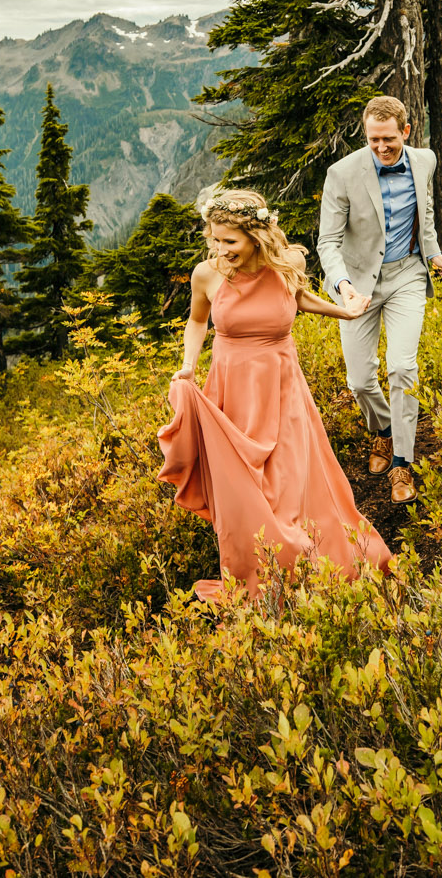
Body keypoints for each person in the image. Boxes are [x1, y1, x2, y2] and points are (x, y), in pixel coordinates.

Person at [156, 187, 393, 602]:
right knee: (243, 492)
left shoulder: (289, 263)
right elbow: (197, 322)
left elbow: (297, 298)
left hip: (282, 390)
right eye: (213, 239)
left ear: (256, 236)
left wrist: (344, 310)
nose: (219, 248)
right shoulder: (206, 274)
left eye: (228, 241)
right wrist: (189, 364)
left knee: (287, 486)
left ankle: (301, 567)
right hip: (232, 392)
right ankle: (257, 572)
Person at [316, 95, 442, 505]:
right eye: (374, 139)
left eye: (390, 140)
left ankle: (402, 460)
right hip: (357, 284)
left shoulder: (425, 160)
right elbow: (327, 241)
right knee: (360, 380)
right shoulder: (341, 174)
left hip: (406, 276)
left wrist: (432, 254)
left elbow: (424, 213)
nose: (382, 148)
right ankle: (382, 430)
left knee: (402, 367)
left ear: (406, 132)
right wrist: (343, 286)